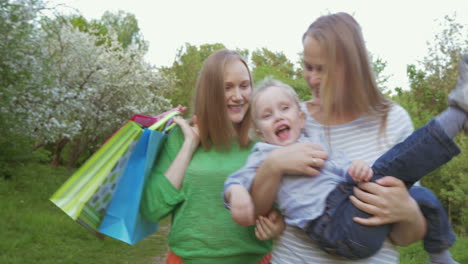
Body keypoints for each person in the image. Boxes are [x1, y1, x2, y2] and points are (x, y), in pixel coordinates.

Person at [249, 12, 464, 264]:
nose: (313, 79)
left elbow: (405, 237)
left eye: (323, 70)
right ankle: (458, 115)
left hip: (363, 241)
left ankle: (458, 114)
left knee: (411, 189)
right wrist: (274, 165)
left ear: (351, 69)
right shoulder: (292, 119)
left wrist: (408, 214)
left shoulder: (392, 120)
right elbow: (256, 210)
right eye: (308, 67)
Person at [224, 76, 466, 261]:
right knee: (392, 165)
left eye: (284, 109)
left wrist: (355, 168)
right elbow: (237, 180)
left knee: (422, 197)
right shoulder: (264, 153)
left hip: (350, 207)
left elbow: (339, 165)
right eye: (267, 115)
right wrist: (236, 194)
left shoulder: (314, 140)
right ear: (260, 134)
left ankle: (440, 256)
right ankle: (457, 114)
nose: (277, 117)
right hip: (332, 227)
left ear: (301, 118)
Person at [141, 49, 284, 264]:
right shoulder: (180, 137)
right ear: (209, 92)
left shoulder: (265, 140)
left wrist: (277, 223)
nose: (238, 96)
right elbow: (153, 209)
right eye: (227, 87)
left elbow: (287, 203)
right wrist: (190, 144)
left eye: (244, 86)